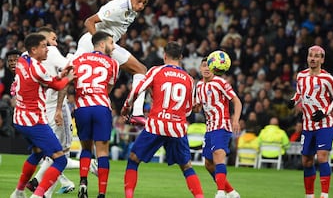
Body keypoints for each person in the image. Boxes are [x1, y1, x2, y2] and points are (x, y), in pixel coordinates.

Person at [121, 41, 204, 198]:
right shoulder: (189, 79)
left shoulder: (156, 71)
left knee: (133, 160)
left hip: (156, 125)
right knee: (186, 166)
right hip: (177, 127)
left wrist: (126, 107)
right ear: (181, 57)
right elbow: (187, 111)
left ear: (164, 55)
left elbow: (138, 90)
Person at [10, 33, 73, 198]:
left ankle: (18, 192)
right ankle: (38, 195)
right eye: (44, 46)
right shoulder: (38, 69)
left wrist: (60, 75)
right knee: (60, 160)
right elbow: (58, 85)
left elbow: (47, 80)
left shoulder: (23, 60)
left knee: (38, 153)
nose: (48, 50)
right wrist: (69, 77)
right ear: (34, 49)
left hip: (19, 118)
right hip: (34, 121)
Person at [74, 0, 149, 126]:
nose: (141, 6)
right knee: (141, 70)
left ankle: (137, 113)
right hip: (94, 42)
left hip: (107, 43)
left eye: (144, 3)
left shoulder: (132, 8)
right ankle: (137, 113)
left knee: (140, 70)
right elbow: (89, 22)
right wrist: (100, 44)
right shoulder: (118, 7)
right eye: (139, 1)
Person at [288, 45, 333, 198]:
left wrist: (325, 112)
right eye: (311, 55)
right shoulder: (301, 76)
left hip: (324, 124)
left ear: (322, 59)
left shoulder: (327, 78)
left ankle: (324, 194)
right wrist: (293, 101)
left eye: (317, 56)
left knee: (321, 157)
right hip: (307, 125)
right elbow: (299, 94)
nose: (313, 58)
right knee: (306, 160)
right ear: (307, 57)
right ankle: (309, 195)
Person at [72, 31, 119, 198]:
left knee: (86, 147)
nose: (113, 47)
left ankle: (83, 183)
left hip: (82, 107)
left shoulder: (77, 60)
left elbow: (71, 82)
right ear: (101, 44)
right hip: (100, 106)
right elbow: (109, 88)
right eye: (111, 43)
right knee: (102, 151)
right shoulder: (113, 63)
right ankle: (101, 194)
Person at [193, 56, 242, 198]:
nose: (206, 68)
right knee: (208, 164)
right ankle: (232, 192)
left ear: (215, 68)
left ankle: (220, 193)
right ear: (200, 68)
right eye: (204, 65)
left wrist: (236, 120)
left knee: (218, 156)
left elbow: (237, 101)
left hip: (222, 125)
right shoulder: (199, 85)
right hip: (209, 128)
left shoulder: (221, 83)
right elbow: (198, 108)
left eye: (209, 66)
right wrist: (195, 107)